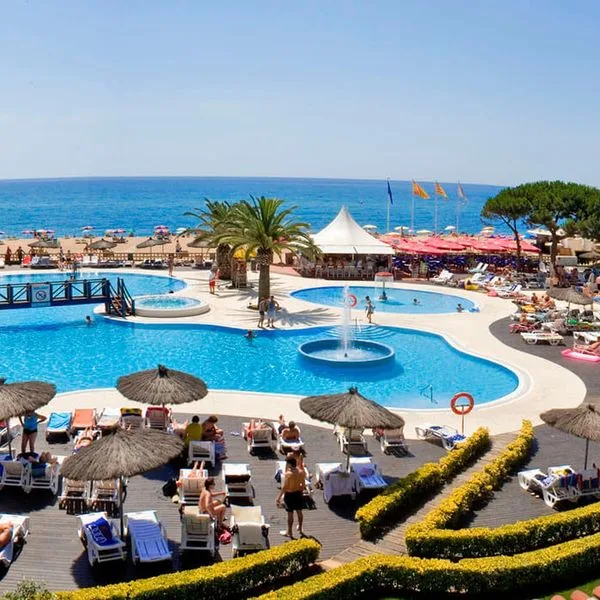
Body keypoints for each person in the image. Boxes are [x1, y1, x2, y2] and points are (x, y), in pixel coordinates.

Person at [276, 456, 306, 538]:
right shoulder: (301, 472)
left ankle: (289, 532)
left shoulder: (288, 474)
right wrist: (299, 490)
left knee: (290, 513)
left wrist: (278, 498)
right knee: (299, 511)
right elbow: (303, 486)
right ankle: (300, 528)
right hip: (298, 493)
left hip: (289, 495)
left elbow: (284, 487)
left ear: (289, 464)